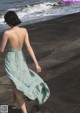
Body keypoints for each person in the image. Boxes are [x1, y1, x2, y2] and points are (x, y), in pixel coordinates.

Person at [0, 11, 50, 113]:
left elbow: (1, 50)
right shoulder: (24, 30)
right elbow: (29, 47)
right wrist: (36, 63)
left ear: (8, 21)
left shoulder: (7, 33)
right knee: (16, 82)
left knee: (16, 84)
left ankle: (24, 111)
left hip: (11, 60)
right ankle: (13, 104)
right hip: (21, 58)